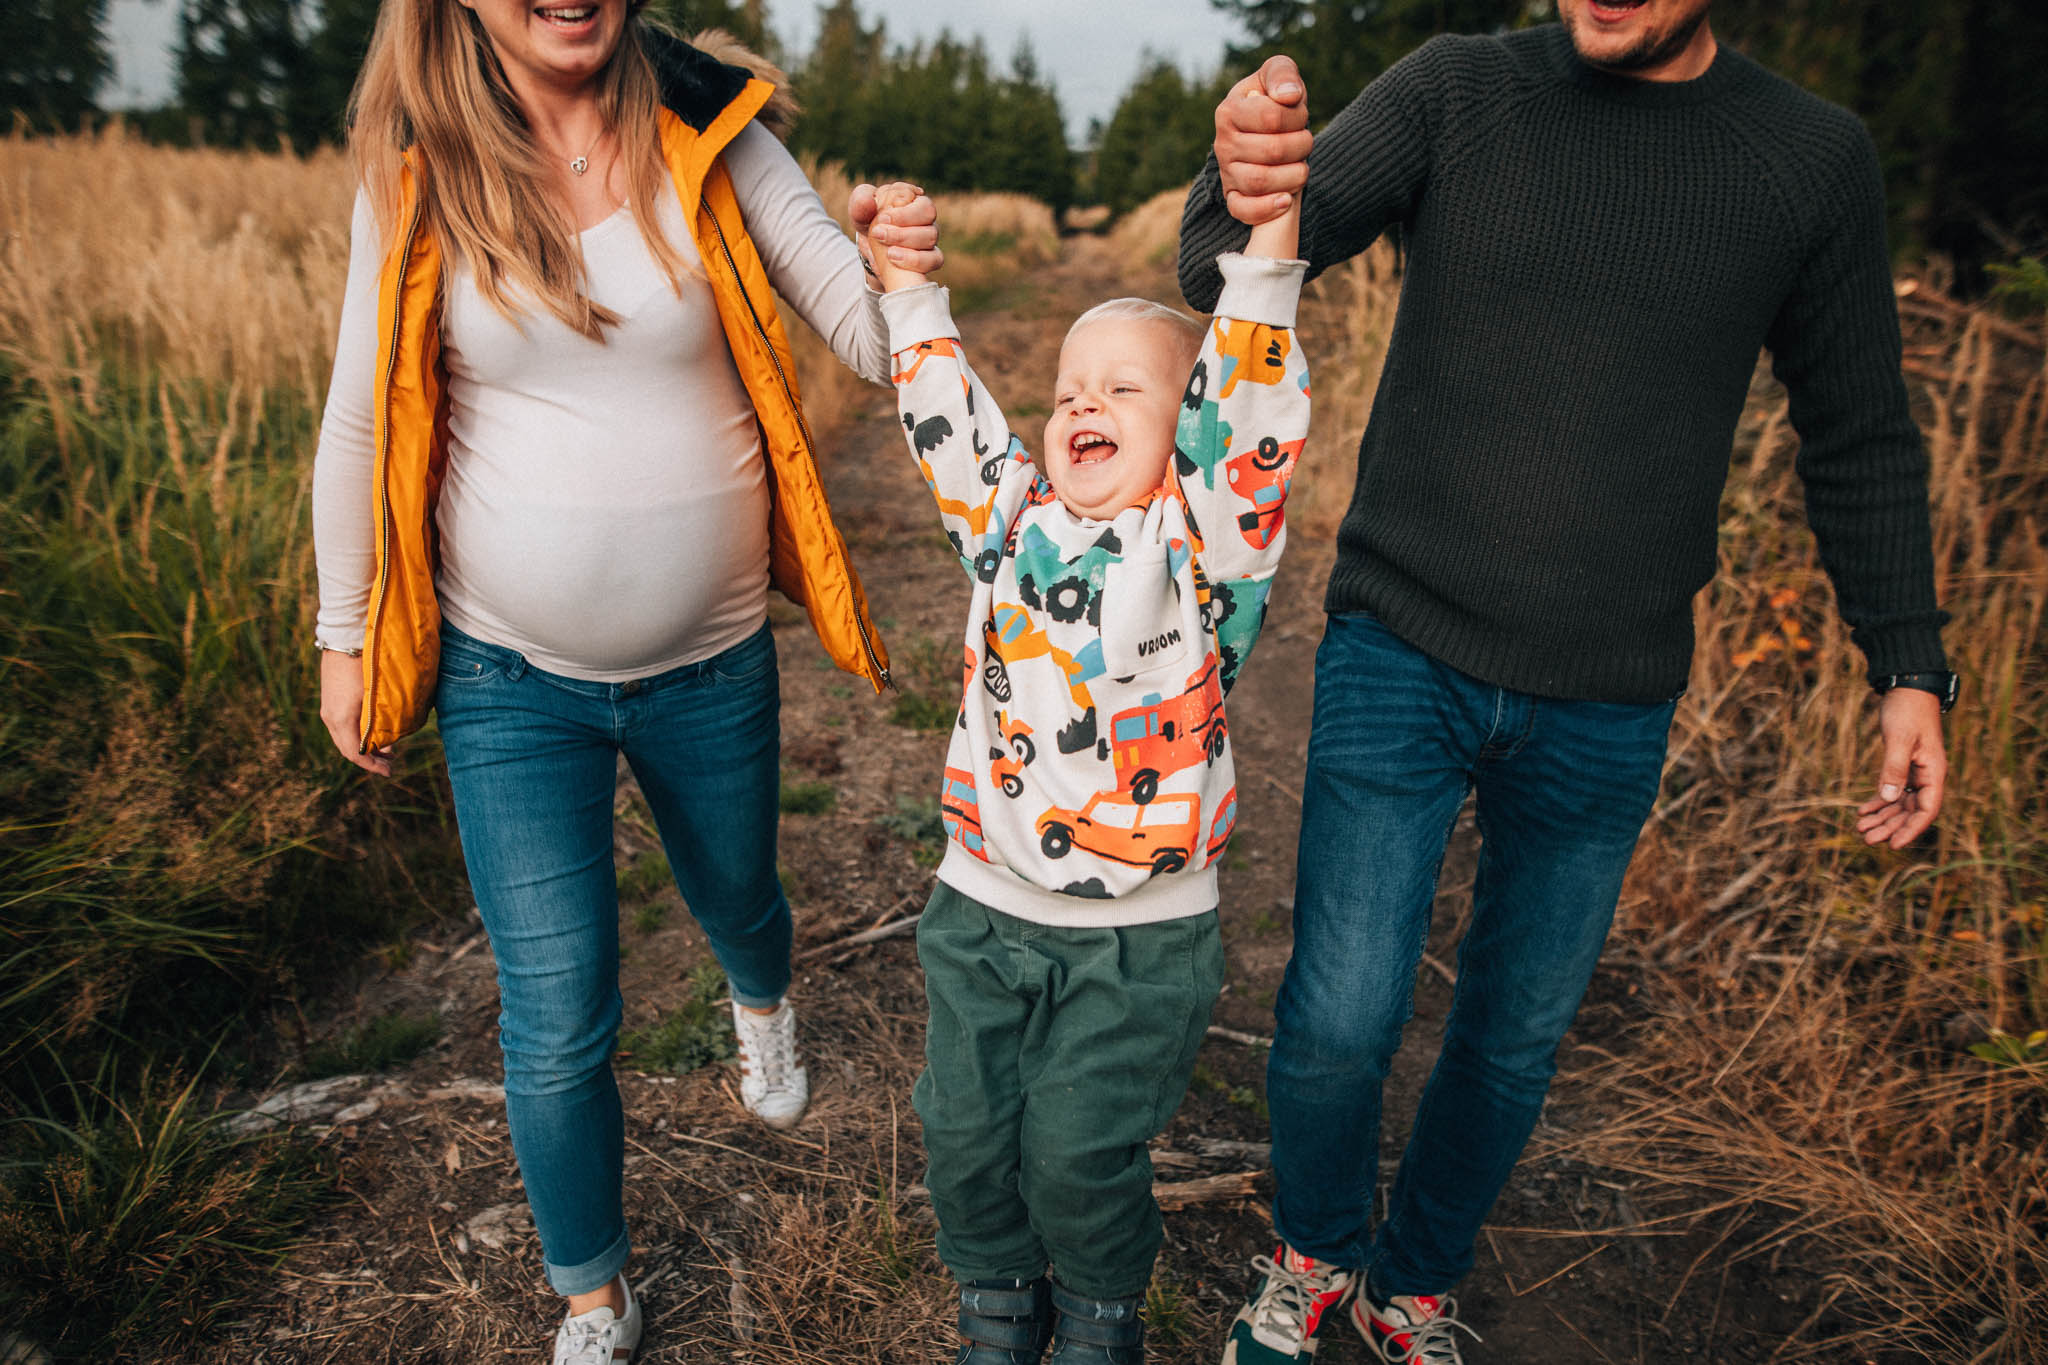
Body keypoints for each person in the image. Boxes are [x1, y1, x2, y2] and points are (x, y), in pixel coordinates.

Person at [1178, 3, 1953, 1362]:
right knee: (1343, 1013)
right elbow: (1217, 264)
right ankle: (1313, 1255)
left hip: (1610, 691)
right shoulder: (1460, 90)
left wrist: (1908, 665)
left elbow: (1860, 432)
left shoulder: (1807, 160)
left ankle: (1413, 1285)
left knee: (1515, 1034)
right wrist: (1240, 165)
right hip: (1400, 642)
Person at [309, 4, 940, 1362]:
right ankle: (594, 1294)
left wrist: (902, 266)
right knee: (556, 1006)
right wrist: (340, 629)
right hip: (505, 676)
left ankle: (760, 1001)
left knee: (738, 897)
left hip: (709, 665)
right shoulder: (423, 165)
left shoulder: (711, 123)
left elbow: (871, 338)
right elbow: (363, 409)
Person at [864, 178, 1310, 1364]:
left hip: (1142, 934)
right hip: (982, 904)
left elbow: (1248, 410)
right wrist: (908, 287)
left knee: (1076, 1148)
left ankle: (1100, 1314)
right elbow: (950, 420)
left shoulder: (1204, 548)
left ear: (1188, 430)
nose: (1082, 407)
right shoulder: (1009, 523)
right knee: (960, 1129)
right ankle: (997, 1297)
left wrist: (1267, 250)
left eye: (1124, 389)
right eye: (1067, 392)